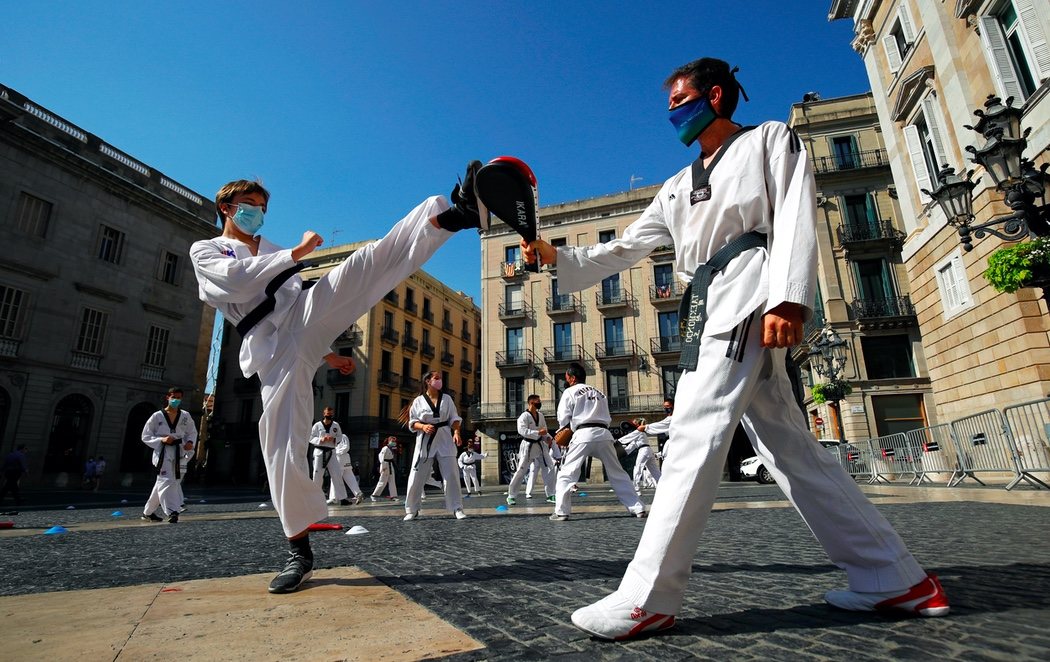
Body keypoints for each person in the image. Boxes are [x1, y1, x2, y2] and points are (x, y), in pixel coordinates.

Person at [525, 57, 949, 640]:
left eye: (679, 99)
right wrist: (559, 259)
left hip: (748, 292)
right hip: (711, 302)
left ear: (715, 95)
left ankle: (648, 596)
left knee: (693, 435)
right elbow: (625, 249)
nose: (670, 111)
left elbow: (798, 213)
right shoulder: (676, 188)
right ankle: (893, 576)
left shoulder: (771, 140)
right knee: (790, 448)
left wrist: (790, 298)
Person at [190, 163, 484, 593]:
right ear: (226, 208)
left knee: (364, 264)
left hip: (302, 321)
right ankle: (299, 553)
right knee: (281, 444)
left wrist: (328, 352)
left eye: (261, 207)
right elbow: (234, 284)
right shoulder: (208, 250)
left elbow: (295, 302)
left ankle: (450, 215)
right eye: (249, 207)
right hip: (273, 349)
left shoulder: (268, 247)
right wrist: (294, 254)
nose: (256, 214)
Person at [549, 363, 645, 522]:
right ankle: (638, 508)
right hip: (604, 434)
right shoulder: (599, 392)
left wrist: (563, 432)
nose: (566, 381)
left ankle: (561, 512)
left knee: (567, 473)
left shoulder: (570, 391)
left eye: (566, 378)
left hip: (583, 434)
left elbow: (563, 418)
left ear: (572, 378)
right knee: (618, 473)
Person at [402, 371, 467, 521]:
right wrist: (423, 427)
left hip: (444, 438)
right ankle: (411, 509)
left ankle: (457, 508)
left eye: (440, 378)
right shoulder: (418, 401)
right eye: (436, 378)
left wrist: (456, 432)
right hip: (425, 440)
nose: (440, 381)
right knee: (416, 476)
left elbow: (454, 418)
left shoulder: (447, 399)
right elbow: (412, 422)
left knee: (451, 475)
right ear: (427, 381)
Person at [141, 387, 197, 524]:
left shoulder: (185, 416)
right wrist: (161, 440)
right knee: (167, 480)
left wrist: (190, 442)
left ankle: (147, 513)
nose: (176, 400)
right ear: (168, 397)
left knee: (163, 482)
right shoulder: (157, 416)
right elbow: (146, 436)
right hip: (163, 452)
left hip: (179, 451)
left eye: (178, 398)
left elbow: (192, 432)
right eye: (173, 397)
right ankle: (172, 511)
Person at [507, 394, 556, 505]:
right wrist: (538, 433)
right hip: (528, 446)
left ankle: (551, 494)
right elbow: (522, 431)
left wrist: (547, 438)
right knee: (521, 470)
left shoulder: (541, 416)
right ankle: (511, 495)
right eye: (537, 401)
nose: (539, 403)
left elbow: (545, 430)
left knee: (550, 467)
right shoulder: (524, 416)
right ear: (531, 403)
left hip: (540, 445)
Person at [309, 407, 348, 505]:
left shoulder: (336, 425)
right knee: (317, 475)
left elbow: (340, 436)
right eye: (327, 413)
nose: (329, 415)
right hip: (319, 452)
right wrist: (320, 440)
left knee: (337, 474)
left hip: (331, 452)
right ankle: (315, 498)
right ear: (324, 413)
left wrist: (334, 439)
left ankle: (342, 498)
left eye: (330, 413)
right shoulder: (317, 425)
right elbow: (310, 437)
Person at [617, 420, 661, 493]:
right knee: (654, 470)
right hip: (648, 450)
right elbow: (631, 446)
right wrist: (622, 452)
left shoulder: (638, 432)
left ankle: (636, 488)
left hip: (643, 450)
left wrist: (617, 442)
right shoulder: (638, 434)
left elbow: (628, 437)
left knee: (638, 468)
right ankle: (662, 485)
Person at [330, 433, 364, 504]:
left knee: (335, 477)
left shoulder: (341, 436)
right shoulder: (342, 436)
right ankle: (358, 493)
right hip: (345, 458)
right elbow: (346, 447)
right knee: (349, 477)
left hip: (339, 458)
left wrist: (337, 453)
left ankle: (333, 498)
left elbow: (346, 447)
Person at [370, 437, 400, 501]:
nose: (394, 443)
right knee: (382, 481)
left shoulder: (392, 449)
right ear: (389, 441)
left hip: (390, 465)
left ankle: (393, 496)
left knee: (392, 481)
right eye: (392, 441)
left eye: (394, 441)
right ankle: (374, 495)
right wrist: (383, 467)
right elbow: (381, 457)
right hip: (385, 465)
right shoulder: (385, 448)